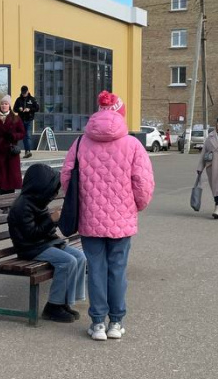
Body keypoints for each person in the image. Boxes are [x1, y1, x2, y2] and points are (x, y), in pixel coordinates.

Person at [60, 90, 155, 341]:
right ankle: (116, 322)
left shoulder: (80, 142)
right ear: (120, 114)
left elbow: (66, 176)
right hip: (122, 221)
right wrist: (136, 206)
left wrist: (82, 201)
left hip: (90, 219)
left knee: (97, 269)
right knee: (117, 270)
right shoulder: (133, 144)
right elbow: (143, 183)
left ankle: (98, 323)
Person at [8, 163, 87, 323]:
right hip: (30, 248)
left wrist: (56, 220)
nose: (53, 193)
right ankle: (53, 306)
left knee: (80, 257)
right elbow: (31, 235)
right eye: (51, 189)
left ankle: (65, 301)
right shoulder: (22, 206)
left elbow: (44, 230)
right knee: (67, 261)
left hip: (45, 243)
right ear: (40, 186)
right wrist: (51, 220)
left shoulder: (37, 201)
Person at [0, 95, 25, 195]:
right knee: (0, 177)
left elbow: (22, 133)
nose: (4, 106)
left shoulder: (16, 118)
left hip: (11, 152)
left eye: (6, 104)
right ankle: (3, 201)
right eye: (2, 104)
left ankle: (9, 202)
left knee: (11, 177)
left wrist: (14, 136)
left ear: (9, 106)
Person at [13, 85, 39, 159]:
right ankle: (14, 149)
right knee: (19, 135)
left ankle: (27, 151)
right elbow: (14, 109)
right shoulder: (18, 100)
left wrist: (29, 109)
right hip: (20, 120)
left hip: (29, 119)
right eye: (22, 93)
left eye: (25, 93)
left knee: (27, 135)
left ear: (27, 91)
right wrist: (19, 109)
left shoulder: (32, 99)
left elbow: (37, 108)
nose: (24, 94)